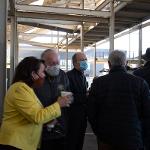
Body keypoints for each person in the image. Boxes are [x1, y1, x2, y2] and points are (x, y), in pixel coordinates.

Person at [0, 56, 71, 150]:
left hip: (24, 142)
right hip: (16, 143)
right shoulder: (19, 89)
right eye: (42, 72)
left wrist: (46, 121)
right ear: (33, 74)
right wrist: (58, 104)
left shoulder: (27, 89)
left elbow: (31, 114)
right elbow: (37, 116)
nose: (44, 75)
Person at [87, 50, 150, 150]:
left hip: (106, 138)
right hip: (132, 138)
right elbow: (147, 114)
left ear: (109, 63)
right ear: (126, 63)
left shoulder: (98, 83)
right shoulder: (140, 83)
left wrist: (99, 132)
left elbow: (91, 112)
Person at [34, 49, 70, 150]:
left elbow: (68, 94)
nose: (55, 65)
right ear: (43, 63)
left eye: (57, 63)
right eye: (52, 63)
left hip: (61, 128)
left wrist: (69, 99)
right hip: (41, 130)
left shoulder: (63, 75)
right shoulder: (37, 78)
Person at [66, 52, 88, 150]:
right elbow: (67, 97)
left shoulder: (83, 76)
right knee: (72, 143)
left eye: (85, 60)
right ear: (74, 63)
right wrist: (86, 96)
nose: (85, 62)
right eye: (82, 60)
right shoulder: (68, 76)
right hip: (72, 118)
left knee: (80, 142)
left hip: (82, 117)